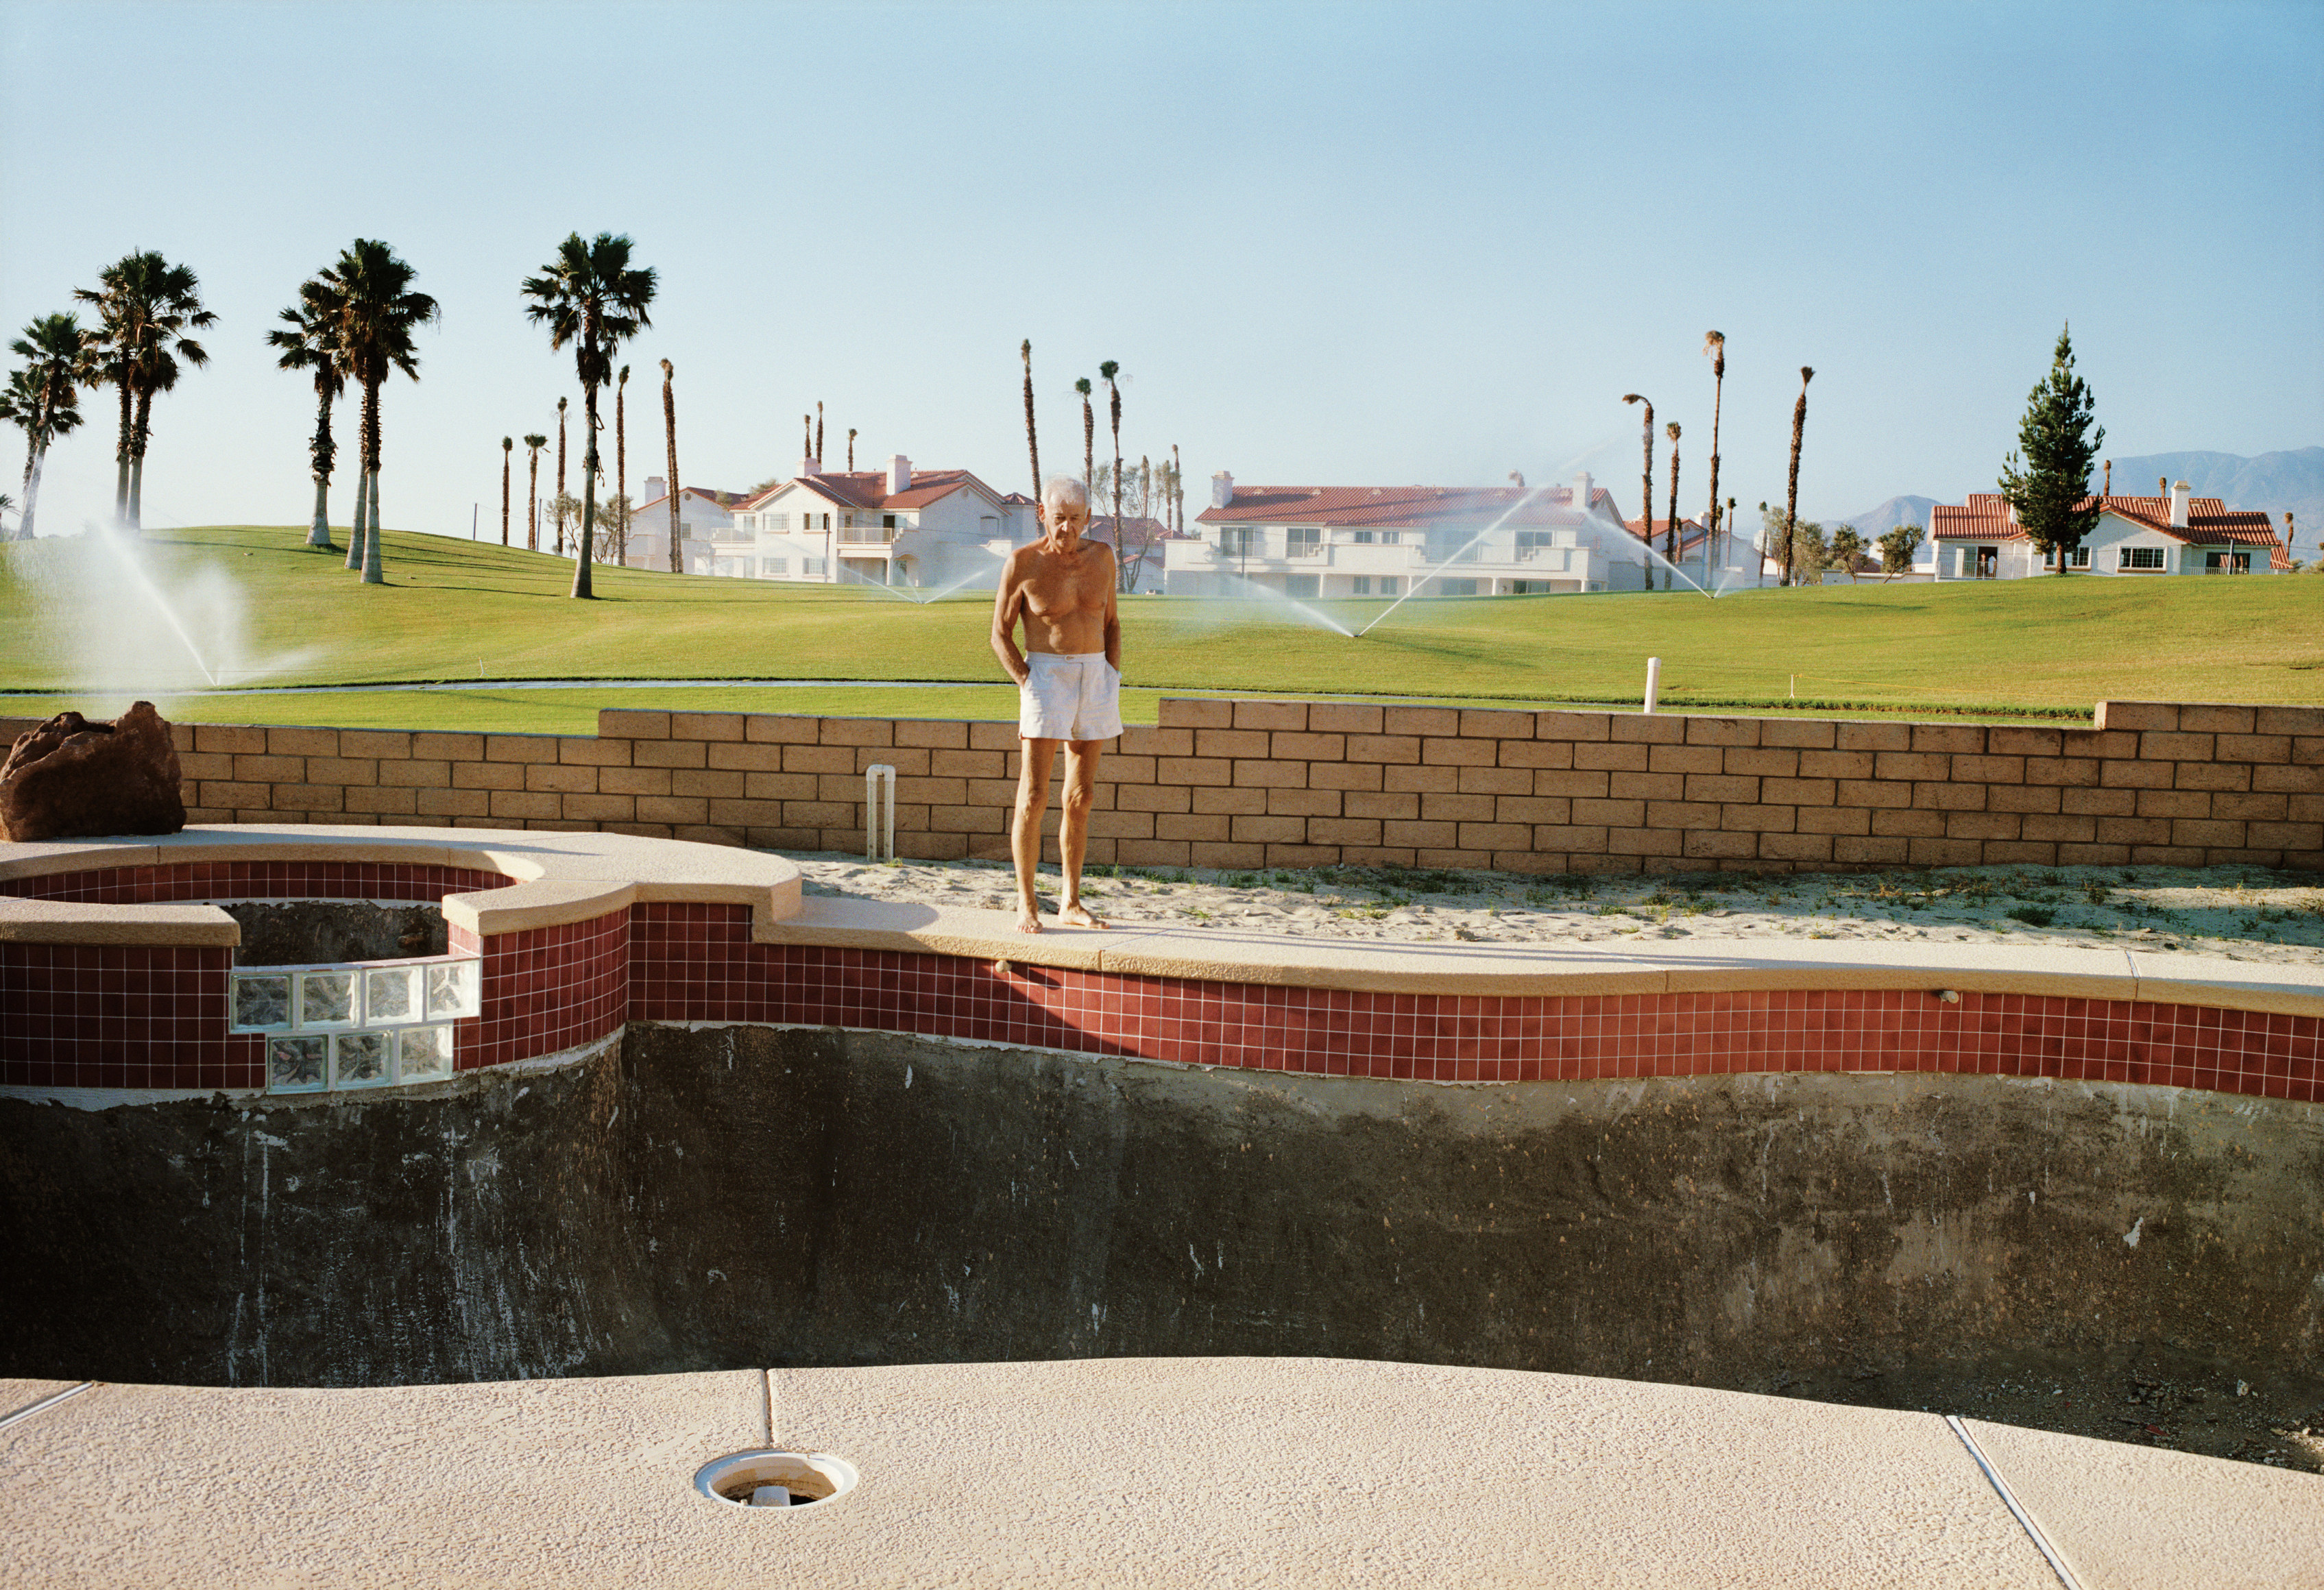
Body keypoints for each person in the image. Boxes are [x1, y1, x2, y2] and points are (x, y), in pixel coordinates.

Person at [991, 476, 1122, 933]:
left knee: (1081, 798)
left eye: (1075, 518)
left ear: (1089, 517)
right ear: (1042, 514)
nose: (1066, 528)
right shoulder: (1022, 563)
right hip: (1045, 677)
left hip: (1095, 676)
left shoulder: (1103, 558)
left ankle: (1071, 901)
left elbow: (1112, 623)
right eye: (1058, 518)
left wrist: (1112, 676)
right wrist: (1027, 680)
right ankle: (1026, 903)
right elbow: (999, 634)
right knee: (1034, 794)